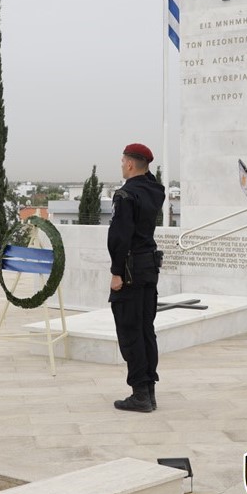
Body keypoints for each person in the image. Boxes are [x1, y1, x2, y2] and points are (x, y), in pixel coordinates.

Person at [107, 143, 165, 413]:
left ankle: (140, 394)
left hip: (130, 270)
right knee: (145, 329)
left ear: (130, 164)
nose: (121, 165)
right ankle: (149, 391)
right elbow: (149, 179)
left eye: (123, 162)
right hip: (148, 267)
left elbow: (120, 237)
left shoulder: (126, 194)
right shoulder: (155, 190)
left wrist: (116, 272)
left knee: (130, 331)